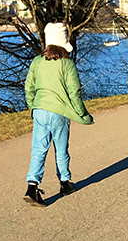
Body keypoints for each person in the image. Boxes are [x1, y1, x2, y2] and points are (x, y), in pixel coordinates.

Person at [23, 22, 94, 207]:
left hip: (39, 110)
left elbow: (29, 87)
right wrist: (82, 114)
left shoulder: (37, 61)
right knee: (61, 149)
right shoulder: (67, 64)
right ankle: (65, 183)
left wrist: (33, 106)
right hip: (58, 113)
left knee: (38, 149)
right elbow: (74, 92)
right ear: (64, 43)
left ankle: (32, 186)